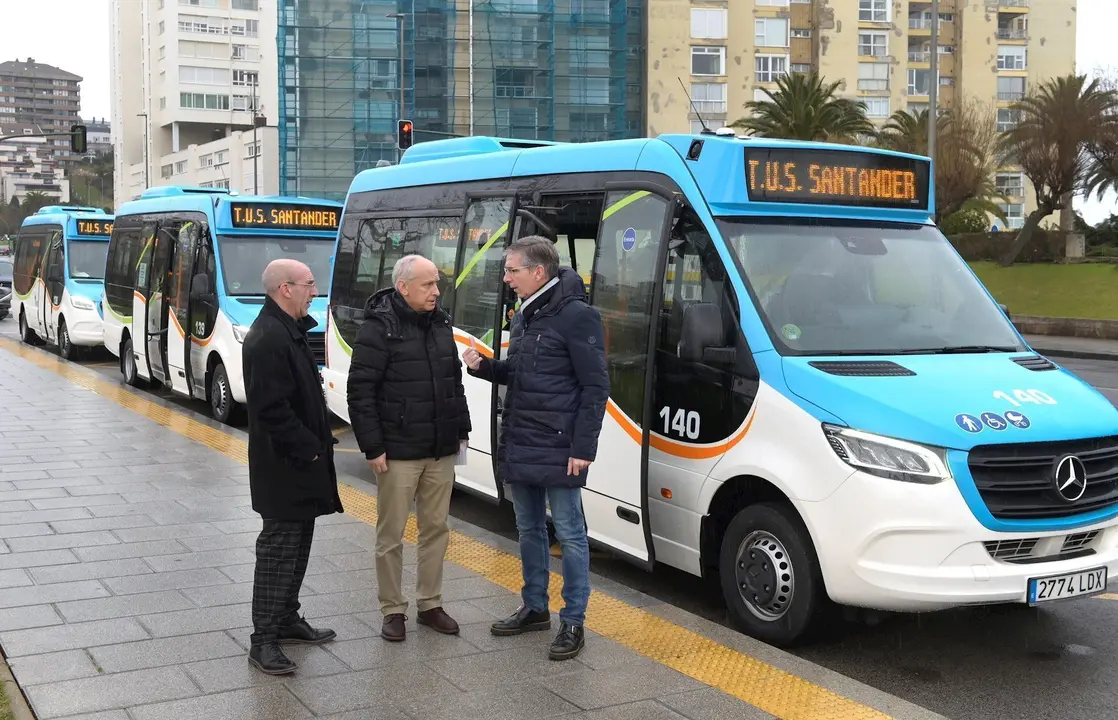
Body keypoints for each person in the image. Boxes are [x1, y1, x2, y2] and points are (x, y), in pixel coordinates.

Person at [462, 236, 609, 661]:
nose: (506, 279)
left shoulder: (578, 317)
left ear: (538, 272)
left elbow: (595, 386)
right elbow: (525, 374)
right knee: (528, 529)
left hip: (561, 445)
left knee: (571, 535)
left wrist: (584, 447)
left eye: (512, 271)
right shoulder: (526, 316)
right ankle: (535, 606)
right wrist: (487, 368)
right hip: (523, 438)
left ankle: (574, 621)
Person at [347, 254, 471, 642]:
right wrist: (372, 446)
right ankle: (392, 609)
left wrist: (461, 430)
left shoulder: (440, 324)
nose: (436, 291)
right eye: (428, 285)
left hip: (439, 448)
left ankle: (430, 603)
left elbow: (454, 381)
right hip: (398, 451)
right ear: (403, 287)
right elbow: (360, 391)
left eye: (437, 284)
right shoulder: (378, 328)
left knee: (437, 528)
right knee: (391, 534)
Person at [242, 258, 343, 675]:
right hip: (284, 467)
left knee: (298, 545)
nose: (314, 291)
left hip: (300, 465)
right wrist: (312, 449)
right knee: (278, 553)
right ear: (285, 288)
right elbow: (271, 410)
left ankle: (286, 617)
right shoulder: (267, 338)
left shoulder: (290, 331)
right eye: (309, 283)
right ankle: (262, 641)